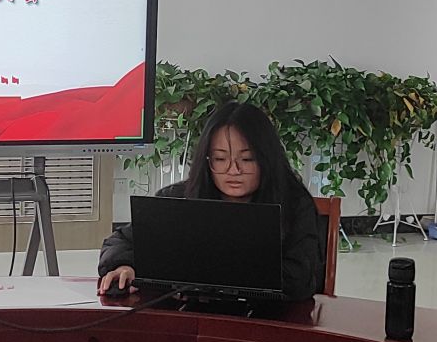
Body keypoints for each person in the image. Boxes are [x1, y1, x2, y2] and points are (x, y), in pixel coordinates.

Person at [98, 100, 324, 300]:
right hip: (187, 316)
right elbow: (121, 241)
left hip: (267, 320)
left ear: (267, 159)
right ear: (207, 160)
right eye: (220, 159)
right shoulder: (177, 199)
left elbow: (300, 279)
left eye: (247, 159)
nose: (233, 170)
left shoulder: (295, 205)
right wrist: (125, 265)